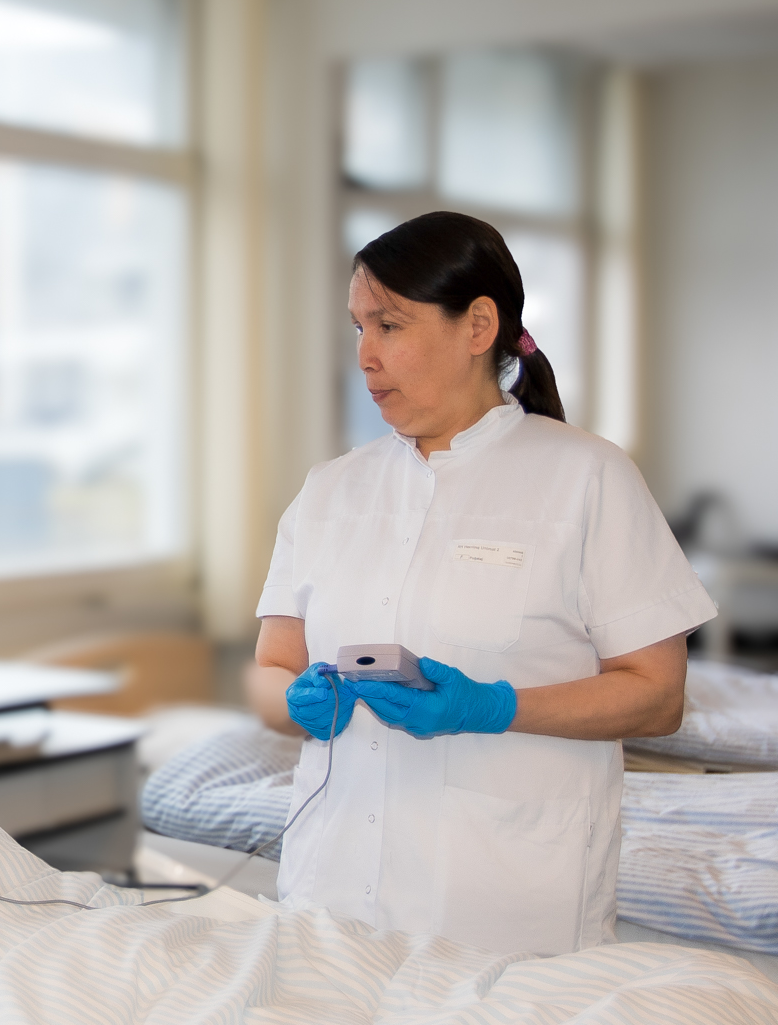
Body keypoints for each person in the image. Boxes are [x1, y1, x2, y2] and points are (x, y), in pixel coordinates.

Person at [251, 211, 714, 957]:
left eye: (389, 325)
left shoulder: (587, 476)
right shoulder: (330, 490)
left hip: (505, 912)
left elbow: (657, 695)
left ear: (477, 326)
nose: (365, 355)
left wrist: (495, 707)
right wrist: (294, 700)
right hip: (329, 899)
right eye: (359, 328)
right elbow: (271, 667)